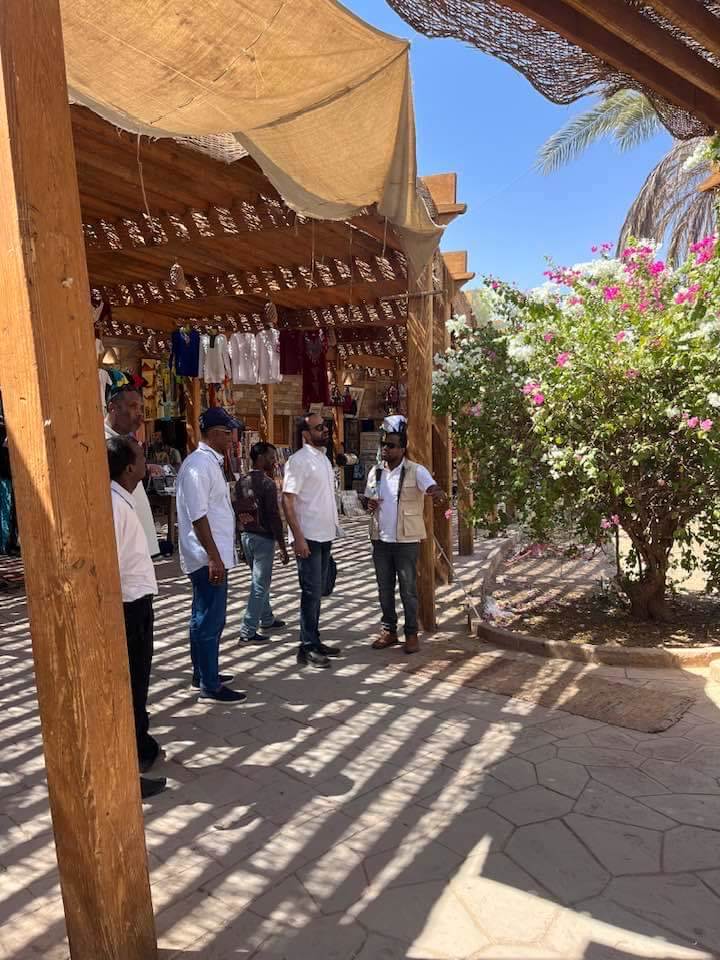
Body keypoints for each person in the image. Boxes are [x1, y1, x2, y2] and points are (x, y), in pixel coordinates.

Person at [107, 436, 166, 800]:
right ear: (129, 467)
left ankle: (141, 745)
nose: (147, 463)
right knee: (129, 688)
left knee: (138, 684)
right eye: (142, 458)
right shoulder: (114, 506)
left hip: (137, 603)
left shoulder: (122, 501)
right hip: (128, 608)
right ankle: (128, 769)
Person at [176, 407, 245, 702]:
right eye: (229, 433)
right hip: (206, 558)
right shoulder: (198, 466)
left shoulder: (209, 463)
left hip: (211, 555)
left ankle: (203, 671)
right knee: (210, 620)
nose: (232, 439)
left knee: (202, 616)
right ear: (215, 433)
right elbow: (198, 515)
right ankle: (209, 683)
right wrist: (214, 557)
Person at [365, 419, 446, 655]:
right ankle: (389, 631)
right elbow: (367, 499)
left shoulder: (416, 471)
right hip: (380, 539)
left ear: (402, 449)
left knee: (408, 589)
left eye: (390, 445)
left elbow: (432, 488)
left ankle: (411, 633)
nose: (385, 449)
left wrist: (437, 494)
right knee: (384, 589)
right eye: (383, 445)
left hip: (406, 541)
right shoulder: (375, 472)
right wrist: (368, 503)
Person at [282, 414, 341, 669]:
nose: (325, 430)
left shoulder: (324, 459)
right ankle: (307, 646)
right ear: (305, 434)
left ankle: (314, 640)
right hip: (309, 537)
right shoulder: (298, 461)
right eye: (319, 427)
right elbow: (287, 499)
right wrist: (297, 537)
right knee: (311, 592)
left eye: (325, 426)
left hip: (325, 534)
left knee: (319, 592)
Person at [237, 442, 289, 643]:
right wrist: (282, 545)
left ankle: (266, 618)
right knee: (260, 584)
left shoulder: (241, 482)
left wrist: (239, 543)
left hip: (246, 536)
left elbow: (236, 512)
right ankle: (248, 630)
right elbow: (274, 516)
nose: (274, 461)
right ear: (260, 458)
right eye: (271, 457)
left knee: (259, 579)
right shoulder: (267, 484)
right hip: (263, 538)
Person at [105, 386, 160, 557]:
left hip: (138, 545)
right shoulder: (102, 443)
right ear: (113, 408)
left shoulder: (126, 441)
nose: (139, 414)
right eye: (133, 406)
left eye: (140, 408)